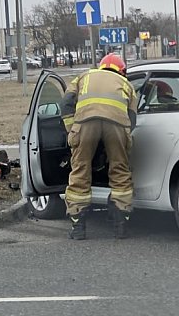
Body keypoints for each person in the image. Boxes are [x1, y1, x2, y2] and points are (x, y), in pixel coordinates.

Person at [60, 53, 138, 240]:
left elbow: (66, 103)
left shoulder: (84, 76)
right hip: (117, 124)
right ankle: (121, 226)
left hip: (85, 123)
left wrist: (72, 130)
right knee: (120, 170)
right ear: (122, 71)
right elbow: (132, 118)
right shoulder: (127, 85)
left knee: (80, 170)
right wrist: (121, 138)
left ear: (101, 66)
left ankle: (78, 227)